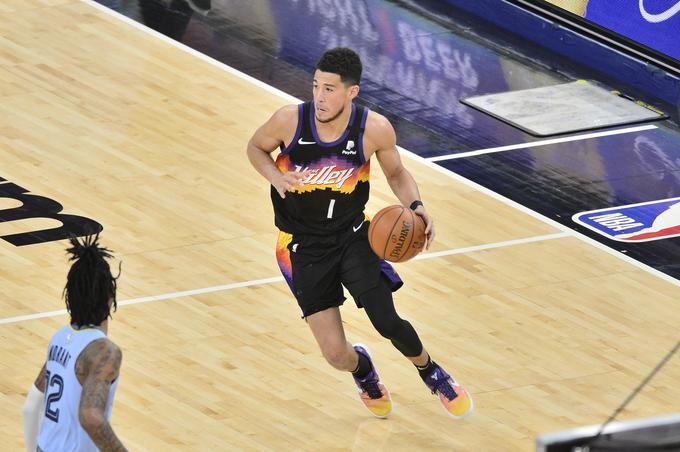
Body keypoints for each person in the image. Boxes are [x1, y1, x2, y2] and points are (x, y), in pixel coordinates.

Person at [246, 47, 473, 419]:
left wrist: (416, 207)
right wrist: (275, 176)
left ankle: (431, 372)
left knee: (386, 319)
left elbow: (397, 174)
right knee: (336, 354)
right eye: (316, 86)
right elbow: (256, 147)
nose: (319, 96)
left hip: (354, 237)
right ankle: (363, 370)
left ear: (352, 92)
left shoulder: (375, 129)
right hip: (300, 247)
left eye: (330, 89)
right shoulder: (289, 120)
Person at [22, 234, 127, 451]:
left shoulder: (59, 338)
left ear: (70, 295)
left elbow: (31, 406)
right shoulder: (104, 352)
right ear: (110, 296)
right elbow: (91, 417)